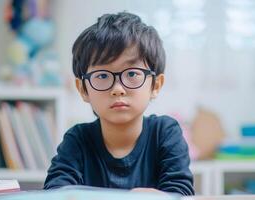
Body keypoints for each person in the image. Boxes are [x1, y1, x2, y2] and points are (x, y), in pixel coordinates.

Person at [44, 11, 194, 196]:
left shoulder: (165, 133)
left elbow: (180, 193)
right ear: (83, 89)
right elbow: (55, 192)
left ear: (155, 85)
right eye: (102, 76)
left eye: (131, 74)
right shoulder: (77, 140)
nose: (118, 89)